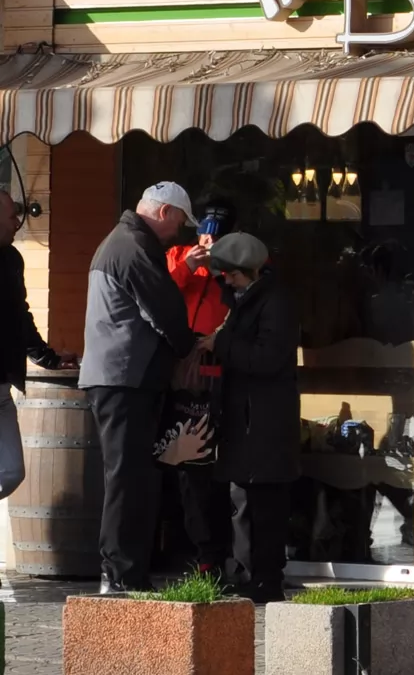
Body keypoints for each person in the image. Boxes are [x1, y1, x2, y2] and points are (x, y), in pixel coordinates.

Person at [80, 182, 199, 594]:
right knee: (128, 477)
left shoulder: (121, 241)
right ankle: (120, 575)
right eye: (180, 222)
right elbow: (164, 308)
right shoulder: (134, 246)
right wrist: (190, 345)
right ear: (164, 212)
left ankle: (123, 572)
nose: (179, 233)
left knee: (131, 476)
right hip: (124, 377)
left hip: (119, 376)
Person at [198, 232, 299, 604]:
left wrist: (220, 344)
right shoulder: (246, 299)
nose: (225, 280)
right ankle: (249, 574)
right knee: (244, 501)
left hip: (264, 421)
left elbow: (266, 358)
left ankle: (267, 582)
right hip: (247, 420)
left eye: (231, 274)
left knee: (266, 507)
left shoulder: (275, 302)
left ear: (250, 271)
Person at [166, 197, 238, 578]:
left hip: (225, 379)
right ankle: (199, 553)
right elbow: (158, 295)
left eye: (218, 233)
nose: (209, 241)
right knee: (187, 467)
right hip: (185, 380)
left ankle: (228, 551)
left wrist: (222, 270)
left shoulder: (241, 262)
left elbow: (246, 302)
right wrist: (188, 266)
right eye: (205, 231)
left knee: (222, 469)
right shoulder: (178, 256)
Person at [0, 191, 76, 503]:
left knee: (11, 471)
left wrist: (48, 357)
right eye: (10, 217)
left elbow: (20, 315)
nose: (17, 223)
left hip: (3, 386)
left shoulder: (11, 259)